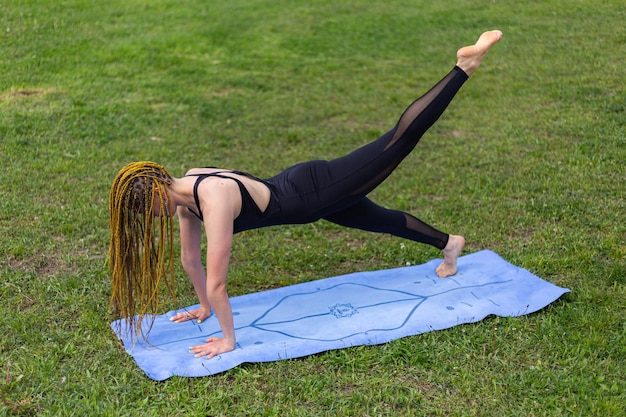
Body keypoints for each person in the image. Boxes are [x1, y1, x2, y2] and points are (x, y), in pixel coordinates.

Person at [109, 30, 503, 359]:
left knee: (396, 142)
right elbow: (189, 258)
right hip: (306, 193)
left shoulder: (210, 199)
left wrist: (228, 340)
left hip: (315, 192)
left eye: (146, 210)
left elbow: (217, 280)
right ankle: (450, 245)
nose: (150, 217)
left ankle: (463, 67)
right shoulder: (186, 190)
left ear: (159, 192)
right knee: (377, 219)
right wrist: (204, 309)